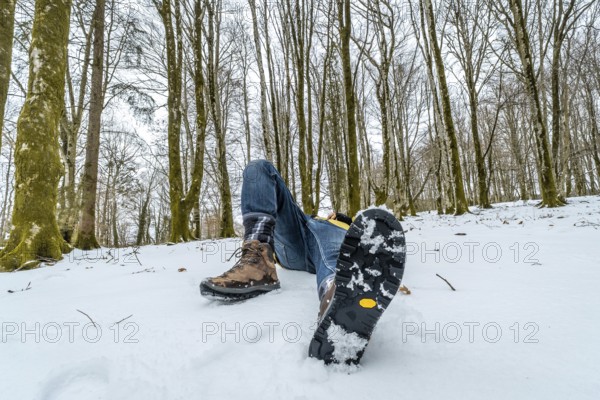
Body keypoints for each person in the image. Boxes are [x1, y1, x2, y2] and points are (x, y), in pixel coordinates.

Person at [200, 160, 406, 364]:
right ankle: (258, 263)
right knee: (259, 168)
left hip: (333, 239)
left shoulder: (347, 227)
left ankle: (338, 298)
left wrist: (343, 220)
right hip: (295, 241)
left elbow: (367, 249)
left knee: (332, 254)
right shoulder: (309, 218)